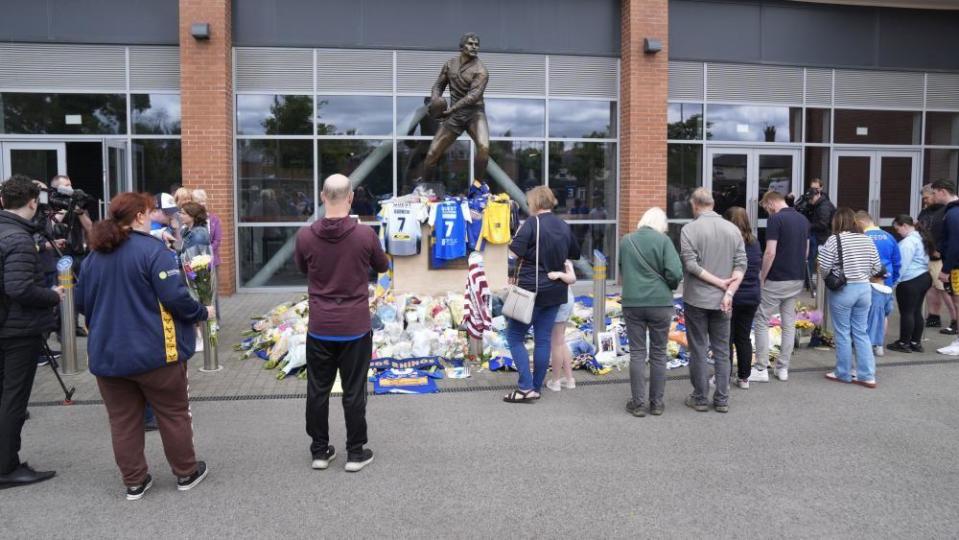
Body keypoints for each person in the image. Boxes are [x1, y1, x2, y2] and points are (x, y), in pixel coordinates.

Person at [75, 192, 213, 500]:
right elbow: (175, 298)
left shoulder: (94, 257)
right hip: (156, 354)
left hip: (107, 356)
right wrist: (202, 312)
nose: (153, 216)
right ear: (138, 216)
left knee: (123, 421)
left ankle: (134, 481)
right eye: (149, 212)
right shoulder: (154, 252)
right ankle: (186, 472)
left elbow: (81, 303)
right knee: (173, 414)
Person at [293, 174, 389, 473]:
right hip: (355, 326)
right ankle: (355, 452)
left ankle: (320, 451)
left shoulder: (305, 236)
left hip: (320, 326)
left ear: (323, 196)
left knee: (318, 390)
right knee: (354, 391)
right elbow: (383, 266)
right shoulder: (365, 235)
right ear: (350, 198)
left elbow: (301, 268)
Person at [0, 175, 62, 489]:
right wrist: (53, 295)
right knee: (14, 398)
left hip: (6, 326)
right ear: (32, 202)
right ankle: (7, 467)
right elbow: (19, 287)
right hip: (17, 331)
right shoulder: (19, 239)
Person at [503, 186, 581, 403]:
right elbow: (575, 253)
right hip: (556, 291)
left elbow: (513, 252)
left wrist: (514, 267)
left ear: (535, 203)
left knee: (514, 337)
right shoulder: (563, 225)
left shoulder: (531, 223)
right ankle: (536, 386)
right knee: (543, 339)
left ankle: (526, 387)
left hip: (531, 290)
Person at [680, 188, 746, 413]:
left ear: (694, 204)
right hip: (723, 301)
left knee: (698, 349)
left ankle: (700, 398)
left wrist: (719, 283)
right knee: (722, 350)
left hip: (697, 299)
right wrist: (728, 292)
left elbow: (691, 265)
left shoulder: (689, 230)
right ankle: (722, 399)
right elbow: (741, 264)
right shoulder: (733, 229)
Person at [620, 208, 683, 416]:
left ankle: (638, 404)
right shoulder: (664, 241)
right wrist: (670, 285)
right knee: (658, 353)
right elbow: (675, 272)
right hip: (660, 303)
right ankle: (656, 403)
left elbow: (622, 268)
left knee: (637, 353)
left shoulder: (626, 241)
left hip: (633, 302)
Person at [748, 190, 810, 383]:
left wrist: (761, 276)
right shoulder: (803, 220)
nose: (767, 212)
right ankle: (783, 368)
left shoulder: (776, 220)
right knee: (788, 321)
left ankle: (761, 367)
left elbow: (770, 252)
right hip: (797, 277)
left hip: (776, 278)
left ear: (771, 203)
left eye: (766, 208)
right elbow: (806, 252)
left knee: (761, 318)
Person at [819, 208, 883, 388]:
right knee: (861, 332)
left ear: (836, 222)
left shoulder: (835, 239)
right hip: (864, 289)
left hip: (843, 290)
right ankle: (867, 375)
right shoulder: (866, 239)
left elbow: (823, 265)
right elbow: (876, 267)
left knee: (843, 333)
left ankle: (843, 372)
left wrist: (828, 277)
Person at [723, 207, 761, 390]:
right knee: (743, 337)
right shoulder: (754, 242)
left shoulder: (728, 243)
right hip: (752, 295)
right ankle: (744, 377)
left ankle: (724, 377)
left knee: (727, 338)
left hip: (733, 295)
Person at [856, 211, 901, 357]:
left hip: (867, 280)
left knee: (865, 313)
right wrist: (893, 280)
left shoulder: (862, 237)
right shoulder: (889, 236)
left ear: (861, 223)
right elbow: (897, 261)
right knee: (883, 314)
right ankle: (879, 344)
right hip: (885, 280)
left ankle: (866, 343)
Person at [888, 215, 932, 353]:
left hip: (910, 280)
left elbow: (902, 265)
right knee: (916, 310)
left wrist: (894, 282)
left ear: (905, 226)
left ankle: (903, 342)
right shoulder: (921, 237)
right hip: (924, 277)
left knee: (907, 312)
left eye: (898, 229)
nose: (898, 232)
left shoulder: (908, 243)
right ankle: (915, 341)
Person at [918, 184, 956, 333]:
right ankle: (934, 316)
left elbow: (947, 234)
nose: (925, 201)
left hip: (940, 256)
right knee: (931, 287)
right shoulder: (925, 212)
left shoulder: (946, 211)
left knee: (944, 289)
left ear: (935, 195)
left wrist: (940, 250)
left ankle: (954, 320)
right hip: (927, 254)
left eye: (927, 198)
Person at [932, 180, 959, 356]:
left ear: (942, 192)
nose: (933, 196)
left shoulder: (953, 213)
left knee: (958, 302)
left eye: (934, 193)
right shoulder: (951, 212)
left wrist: (946, 269)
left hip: (956, 266)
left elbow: (955, 244)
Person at [795, 178, 836, 286]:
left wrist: (807, 226)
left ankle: (813, 283)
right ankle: (809, 282)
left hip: (821, 237)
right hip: (815, 235)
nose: (810, 201)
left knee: (814, 259)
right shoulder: (815, 203)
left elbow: (823, 224)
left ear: (819, 192)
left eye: (811, 198)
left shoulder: (824, 206)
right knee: (810, 258)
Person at [545, 260, 577, 393]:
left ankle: (556, 381)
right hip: (568, 300)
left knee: (556, 343)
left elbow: (572, 278)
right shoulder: (566, 260)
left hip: (559, 302)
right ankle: (569, 379)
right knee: (561, 341)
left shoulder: (555, 260)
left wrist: (558, 274)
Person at [191, 190, 222, 270]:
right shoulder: (190, 219)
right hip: (194, 261)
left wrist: (206, 251)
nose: (202, 204)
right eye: (199, 201)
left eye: (203, 201)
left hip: (212, 261)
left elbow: (217, 240)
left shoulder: (214, 219)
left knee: (214, 282)